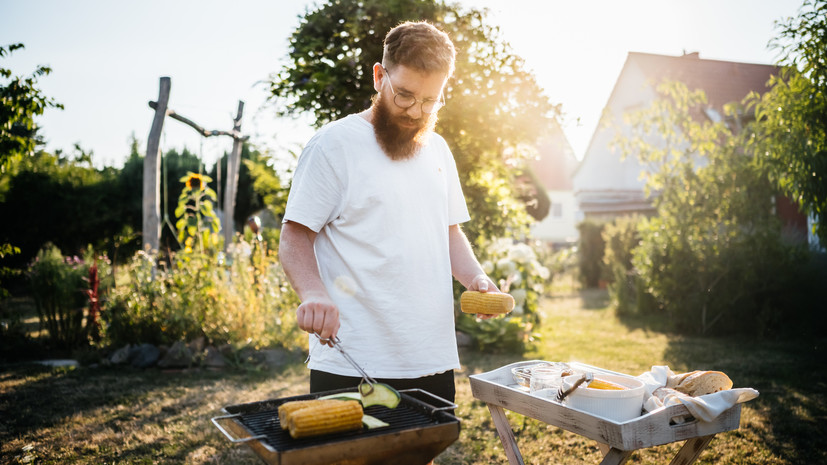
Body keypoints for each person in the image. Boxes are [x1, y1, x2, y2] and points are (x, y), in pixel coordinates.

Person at [279, 20, 504, 404]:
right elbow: (295, 234)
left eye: (431, 100)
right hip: (351, 360)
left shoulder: (438, 150)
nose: (416, 111)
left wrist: (475, 277)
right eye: (405, 95)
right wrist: (314, 293)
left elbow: (447, 232)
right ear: (379, 76)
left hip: (430, 358)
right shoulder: (334, 144)